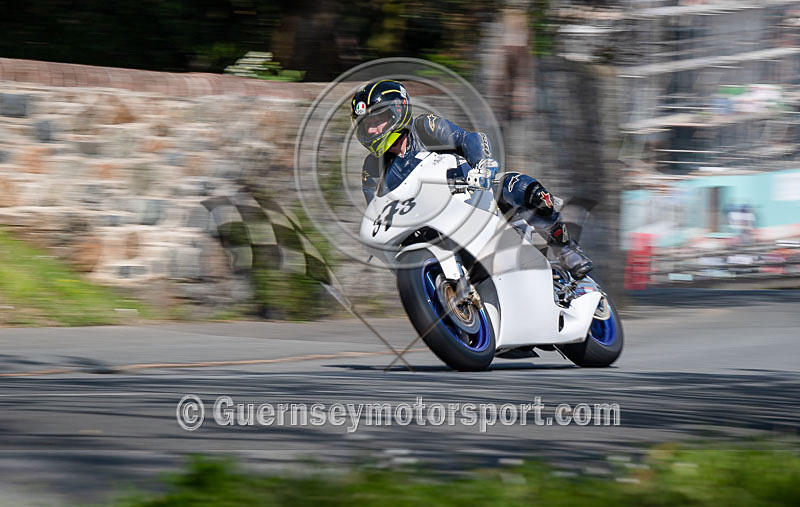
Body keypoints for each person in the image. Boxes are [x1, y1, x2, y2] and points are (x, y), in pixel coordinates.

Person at [350, 79, 593, 280]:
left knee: (520, 187)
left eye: (377, 120)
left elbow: (468, 139)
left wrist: (482, 165)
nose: (372, 130)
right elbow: (378, 211)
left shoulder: (424, 128)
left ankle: (565, 247)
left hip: (473, 196)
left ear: (397, 112)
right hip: (427, 223)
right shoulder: (371, 170)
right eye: (366, 125)